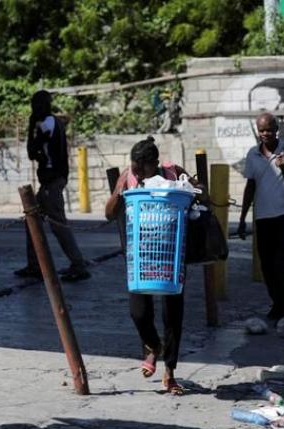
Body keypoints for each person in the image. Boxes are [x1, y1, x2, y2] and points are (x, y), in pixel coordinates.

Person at [105, 136, 206, 395]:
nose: (137, 172)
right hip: (140, 256)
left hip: (171, 255)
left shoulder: (173, 172)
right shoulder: (128, 176)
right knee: (138, 312)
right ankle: (152, 345)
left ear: (155, 163)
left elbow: (197, 192)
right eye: (134, 166)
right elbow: (108, 212)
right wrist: (120, 192)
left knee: (173, 314)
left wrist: (195, 189)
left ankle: (170, 372)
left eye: (142, 167)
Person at [237, 113, 284, 321]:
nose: (266, 134)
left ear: (276, 129)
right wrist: (243, 218)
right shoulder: (253, 155)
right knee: (267, 266)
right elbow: (250, 186)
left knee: (280, 263)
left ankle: (283, 306)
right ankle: (277, 303)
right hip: (263, 218)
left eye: (269, 129)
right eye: (262, 130)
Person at [14, 90, 90, 282]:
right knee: (31, 219)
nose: (33, 109)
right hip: (50, 181)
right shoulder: (52, 122)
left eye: (34, 105)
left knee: (58, 225)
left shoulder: (46, 123)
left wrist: (31, 124)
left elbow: (32, 151)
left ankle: (79, 265)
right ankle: (35, 265)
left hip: (52, 182)